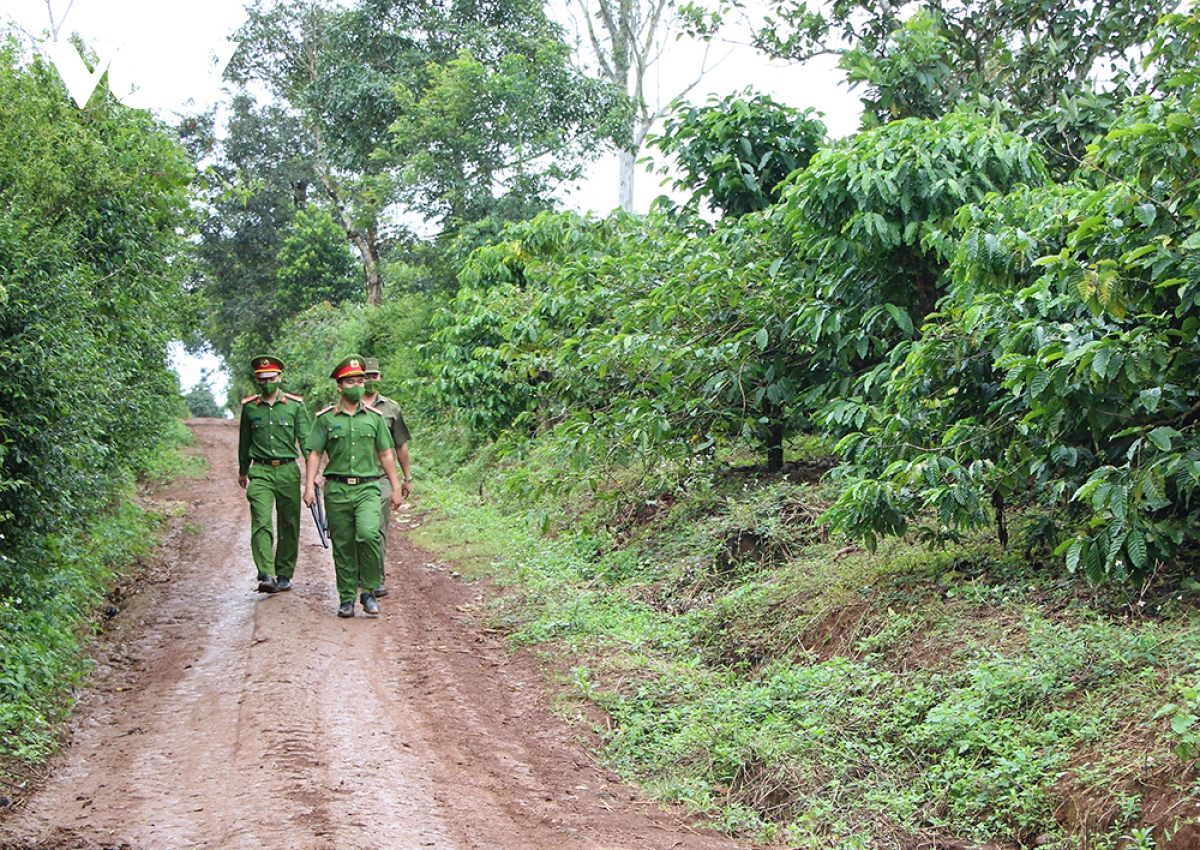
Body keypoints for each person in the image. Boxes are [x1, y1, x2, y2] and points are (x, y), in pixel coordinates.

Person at [303, 357, 403, 618]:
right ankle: (346, 598)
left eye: (360, 381)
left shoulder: (375, 418)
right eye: (351, 381)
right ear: (340, 386)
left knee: (369, 535)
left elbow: (386, 455)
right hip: (336, 490)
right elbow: (314, 453)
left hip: (368, 488)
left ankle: (368, 590)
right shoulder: (325, 420)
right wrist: (309, 485)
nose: (357, 386)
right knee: (344, 544)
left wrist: (395, 487)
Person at [237, 355, 313, 594]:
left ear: (279, 377)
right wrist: (243, 470)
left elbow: (307, 443)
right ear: (257, 380)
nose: (267, 382)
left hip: (289, 470)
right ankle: (266, 573)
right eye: (262, 378)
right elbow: (244, 441)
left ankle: (284, 573)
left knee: (289, 523)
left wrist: (313, 475)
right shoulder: (250, 407)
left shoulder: (295, 406)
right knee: (261, 521)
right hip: (259, 470)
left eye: (271, 377)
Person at [361, 357, 412, 597]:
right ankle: (358, 573)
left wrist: (406, 478)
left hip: (380, 477)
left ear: (380, 377)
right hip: (353, 476)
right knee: (356, 530)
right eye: (365, 377)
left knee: (377, 528)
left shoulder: (391, 408)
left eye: (374, 376)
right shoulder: (346, 407)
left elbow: (400, 445)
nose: (370, 381)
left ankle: (376, 576)